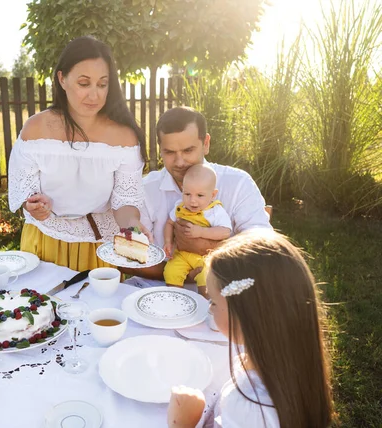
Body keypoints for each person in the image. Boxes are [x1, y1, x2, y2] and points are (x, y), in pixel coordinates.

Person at [167, 230, 334, 428]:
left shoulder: (247, 406)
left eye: (213, 302)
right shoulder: (297, 365)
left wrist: (184, 422)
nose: (209, 308)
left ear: (243, 316)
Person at [8, 36, 148, 271]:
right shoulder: (36, 129)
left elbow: (125, 200)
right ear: (62, 79)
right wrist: (33, 204)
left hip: (100, 248)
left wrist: (132, 228)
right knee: (41, 307)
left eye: (102, 84)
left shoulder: (124, 137)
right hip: (44, 240)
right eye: (84, 83)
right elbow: (25, 190)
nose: (94, 95)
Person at [124, 106, 272, 284]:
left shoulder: (238, 183)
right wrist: (182, 274)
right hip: (154, 290)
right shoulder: (146, 188)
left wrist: (208, 247)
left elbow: (262, 247)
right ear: (160, 149)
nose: (179, 162)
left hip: (221, 291)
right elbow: (132, 257)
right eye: (170, 152)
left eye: (188, 150)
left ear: (206, 144)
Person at [163, 164, 231, 297]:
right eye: (187, 194)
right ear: (182, 190)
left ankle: (206, 304)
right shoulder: (179, 207)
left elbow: (225, 231)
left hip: (205, 257)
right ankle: (175, 298)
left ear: (212, 195)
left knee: (207, 276)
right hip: (182, 254)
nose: (192, 200)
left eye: (200, 195)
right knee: (171, 271)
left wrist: (201, 232)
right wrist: (168, 242)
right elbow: (169, 223)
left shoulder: (215, 211)